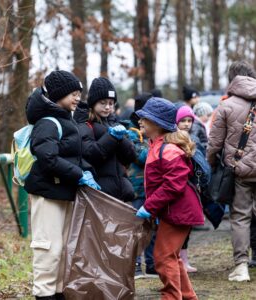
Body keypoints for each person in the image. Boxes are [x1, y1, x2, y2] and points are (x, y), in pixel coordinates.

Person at [24, 70, 100, 300]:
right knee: (48, 248)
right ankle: (44, 293)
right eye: (72, 94)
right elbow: (48, 158)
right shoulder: (47, 123)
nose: (78, 98)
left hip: (64, 192)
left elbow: (72, 155)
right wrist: (78, 174)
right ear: (58, 95)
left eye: (79, 93)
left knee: (63, 249)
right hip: (47, 193)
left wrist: (87, 171)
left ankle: (57, 292)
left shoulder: (67, 119)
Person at [135, 97, 204, 300]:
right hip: (173, 211)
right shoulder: (157, 145)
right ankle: (188, 297)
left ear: (156, 123)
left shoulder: (169, 149)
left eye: (144, 119)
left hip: (180, 212)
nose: (140, 122)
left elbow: (174, 184)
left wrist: (149, 206)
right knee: (171, 256)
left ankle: (172, 297)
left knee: (163, 257)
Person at [207, 60, 256, 282]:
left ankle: (241, 267)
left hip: (239, 172)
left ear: (231, 79)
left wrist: (212, 165)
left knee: (240, 217)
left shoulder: (225, 106)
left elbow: (214, 145)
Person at [74, 77, 136, 202]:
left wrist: (123, 140)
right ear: (93, 103)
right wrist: (111, 137)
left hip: (121, 192)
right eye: (103, 103)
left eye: (111, 103)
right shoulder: (84, 124)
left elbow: (130, 157)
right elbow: (90, 154)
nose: (107, 107)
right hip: (100, 194)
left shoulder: (114, 123)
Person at [126, 92, 157, 279]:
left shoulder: (153, 132)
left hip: (152, 189)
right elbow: (142, 156)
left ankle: (152, 265)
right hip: (136, 188)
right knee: (137, 228)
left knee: (153, 227)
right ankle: (136, 266)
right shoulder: (131, 133)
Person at [175, 105, 199, 273]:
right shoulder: (174, 140)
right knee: (178, 226)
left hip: (190, 187)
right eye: (183, 120)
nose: (186, 124)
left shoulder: (192, 138)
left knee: (187, 227)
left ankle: (184, 260)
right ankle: (178, 261)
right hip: (180, 188)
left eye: (189, 120)